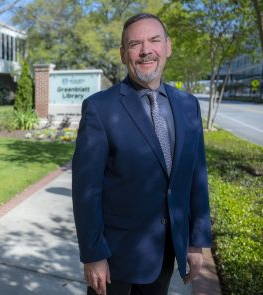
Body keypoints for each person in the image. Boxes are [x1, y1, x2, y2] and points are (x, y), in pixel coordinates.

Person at [71, 13, 212, 295]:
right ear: (124, 55)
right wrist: (93, 253)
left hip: (166, 253)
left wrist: (196, 242)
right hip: (115, 258)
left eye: (154, 40)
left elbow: (196, 176)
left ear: (168, 47)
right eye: (135, 43)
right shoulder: (100, 108)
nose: (146, 49)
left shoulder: (188, 106)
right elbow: (87, 189)